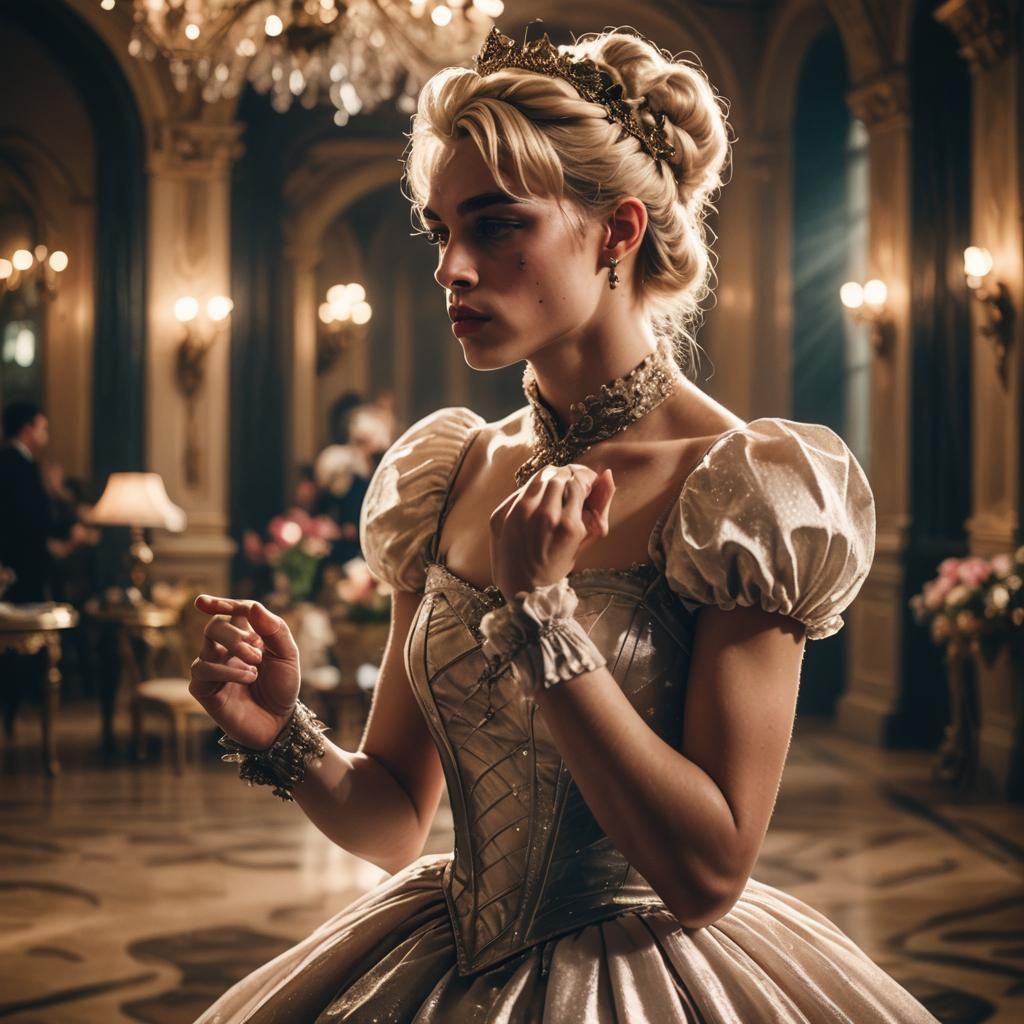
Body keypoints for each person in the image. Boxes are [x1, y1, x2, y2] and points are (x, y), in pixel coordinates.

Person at [188, 27, 940, 1023]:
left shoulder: (743, 493)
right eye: (440, 230)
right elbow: (393, 820)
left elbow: (707, 874)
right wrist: (285, 733)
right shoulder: (449, 471)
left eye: (497, 225)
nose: (452, 267)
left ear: (617, 231)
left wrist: (544, 616)